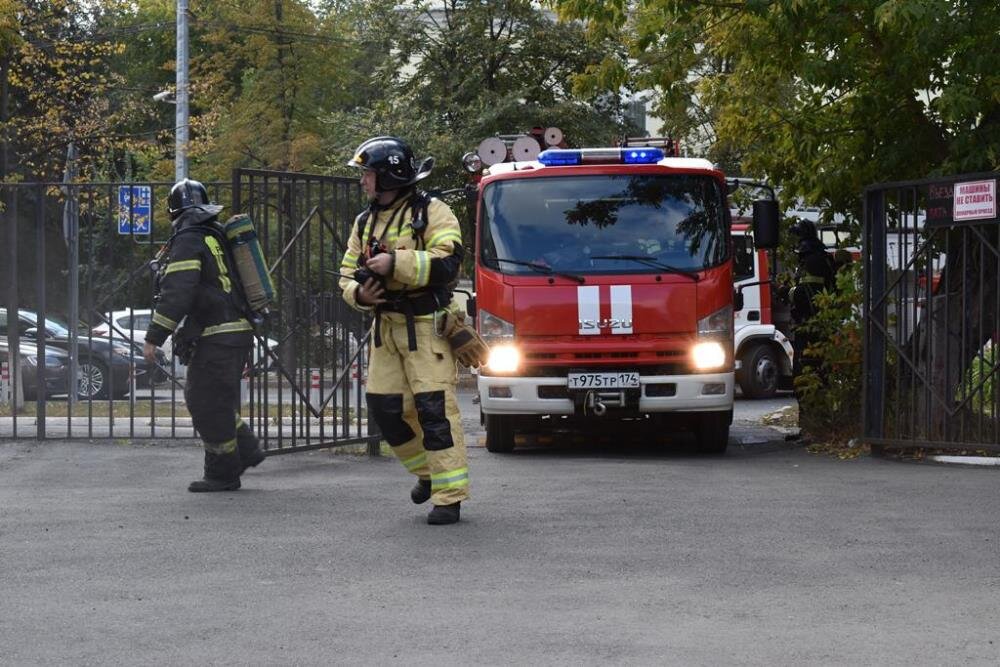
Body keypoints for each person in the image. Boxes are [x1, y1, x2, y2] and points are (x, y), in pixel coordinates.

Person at [339, 136, 468, 525]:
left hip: (427, 327)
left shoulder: (433, 212)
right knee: (385, 409)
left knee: (434, 412)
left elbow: (449, 262)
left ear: (390, 176)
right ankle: (428, 475)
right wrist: (359, 293)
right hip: (386, 330)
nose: (363, 181)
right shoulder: (364, 222)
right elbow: (345, 273)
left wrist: (396, 264)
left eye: (368, 174)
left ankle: (449, 497)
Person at [143, 178, 265, 492]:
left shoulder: (189, 238)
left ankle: (223, 472)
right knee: (215, 400)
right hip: (234, 331)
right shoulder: (217, 234)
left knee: (204, 401)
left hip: (218, 334)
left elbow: (178, 292)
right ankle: (247, 449)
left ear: (174, 211)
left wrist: (154, 336)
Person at [787, 219, 836, 400]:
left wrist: (787, 292)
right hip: (822, 324)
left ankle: (809, 420)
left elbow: (804, 294)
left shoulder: (811, 261)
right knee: (819, 373)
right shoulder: (823, 258)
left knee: (805, 373)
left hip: (809, 327)